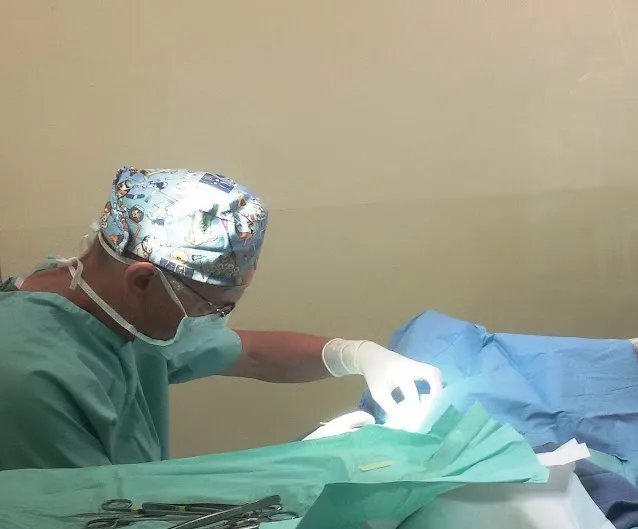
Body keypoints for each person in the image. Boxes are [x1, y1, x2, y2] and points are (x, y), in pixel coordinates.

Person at [0, 167, 442, 470]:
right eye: (212, 308)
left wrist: (355, 355)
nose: (214, 322)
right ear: (142, 280)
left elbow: (253, 354)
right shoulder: (27, 380)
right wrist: (289, 474)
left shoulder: (117, 313)